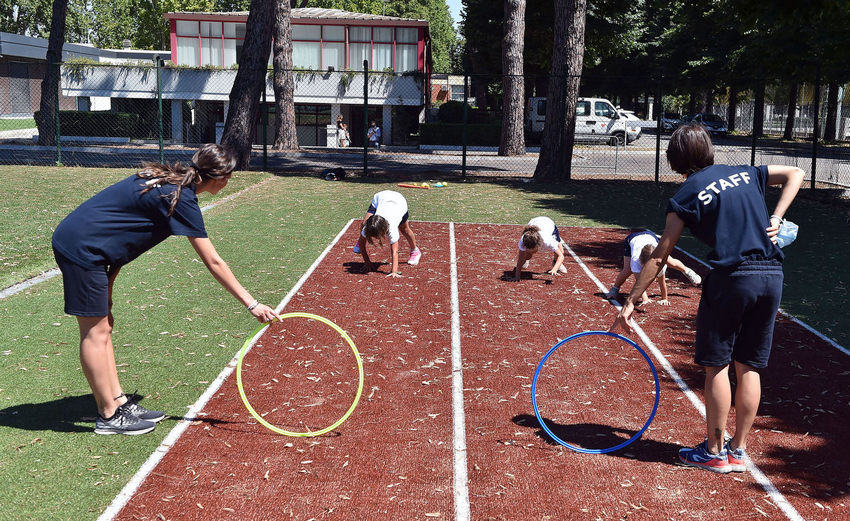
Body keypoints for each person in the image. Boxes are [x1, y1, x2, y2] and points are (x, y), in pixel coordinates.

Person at [610, 124, 803, 473]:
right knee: (750, 366)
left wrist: (631, 300)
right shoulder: (745, 172)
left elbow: (660, 253)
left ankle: (714, 451)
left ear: (675, 160)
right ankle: (738, 451)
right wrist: (777, 216)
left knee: (718, 365)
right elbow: (796, 172)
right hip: (772, 276)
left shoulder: (685, 195)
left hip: (732, 279)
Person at [51, 144, 282, 435]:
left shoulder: (170, 179)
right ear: (220, 177)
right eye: (230, 176)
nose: (230, 181)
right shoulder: (180, 197)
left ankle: (118, 401)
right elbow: (213, 261)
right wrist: (252, 304)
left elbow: (122, 232)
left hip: (94, 247)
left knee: (105, 325)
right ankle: (108, 416)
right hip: (81, 248)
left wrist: (109, 282)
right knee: (95, 332)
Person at [604, 229, 703, 305]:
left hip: (651, 238)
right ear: (641, 262)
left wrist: (664, 298)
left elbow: (662, 281)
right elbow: (639, 282)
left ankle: (688, 271)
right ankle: (614, 289)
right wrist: (645, 299)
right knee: (627, 270)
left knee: (671, 262)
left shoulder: (659, 262)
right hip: (633, 239)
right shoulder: (635, 261)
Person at [352, 190, 421, 277]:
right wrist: (367, 262)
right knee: (364, 223)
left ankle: (415, 251)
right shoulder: (368, 226)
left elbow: (395, 251)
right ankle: (361, 237)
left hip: (399, 202)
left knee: (405, 229)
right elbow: (362, 244)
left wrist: (394, 271)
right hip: (381, 198)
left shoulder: (392, 228)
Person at [508, 216, 568, 281]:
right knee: (526, 256)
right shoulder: (523, 242)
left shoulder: (548, 240)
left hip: (548, 223)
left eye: (533, 251)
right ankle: (527, 259)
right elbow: (520, 259)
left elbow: (561, 256)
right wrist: (517, 277)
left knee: (561, 251)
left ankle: (554, 262)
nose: (533, 253)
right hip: (534, 222)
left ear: (538, 245)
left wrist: (555, 269)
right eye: (530, 251)